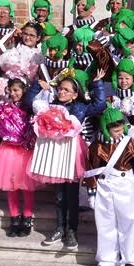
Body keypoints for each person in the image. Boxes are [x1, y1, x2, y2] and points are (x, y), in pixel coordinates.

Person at [25, 67, 108, 250]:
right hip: (55, 151)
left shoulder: (81, 107)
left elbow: (100, 104)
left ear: (75, 94)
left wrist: (97, 84)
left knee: (71, 195)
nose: (62, 92)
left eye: (66, 90)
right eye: (60, 88)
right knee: (59, 195)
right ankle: (59, 228)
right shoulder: (49, 104)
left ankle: (72, 231)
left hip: (72, 152)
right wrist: (37, 86)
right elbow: (29, 102)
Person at [84, 108, 134, 266]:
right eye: (115, 129)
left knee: (128, 221)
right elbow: (90, 169)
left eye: (121, 128)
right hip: (104, 184)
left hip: (125, 183)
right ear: (106, 128)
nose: (119, 132)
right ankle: (107, 259)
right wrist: (92, 191)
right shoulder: (96, 146)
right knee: (105, 222)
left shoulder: (129, 142)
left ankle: (130, 260)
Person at [0, 78, 38, 237]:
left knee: (27, 187)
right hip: (7, 151)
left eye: (17, 90)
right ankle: (14, 219)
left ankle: (27, 219)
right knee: (11, 186)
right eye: (11, 90)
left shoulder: (30, 108)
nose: (14, 93)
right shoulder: (3, 108)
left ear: (23, 90)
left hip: (25, 150)